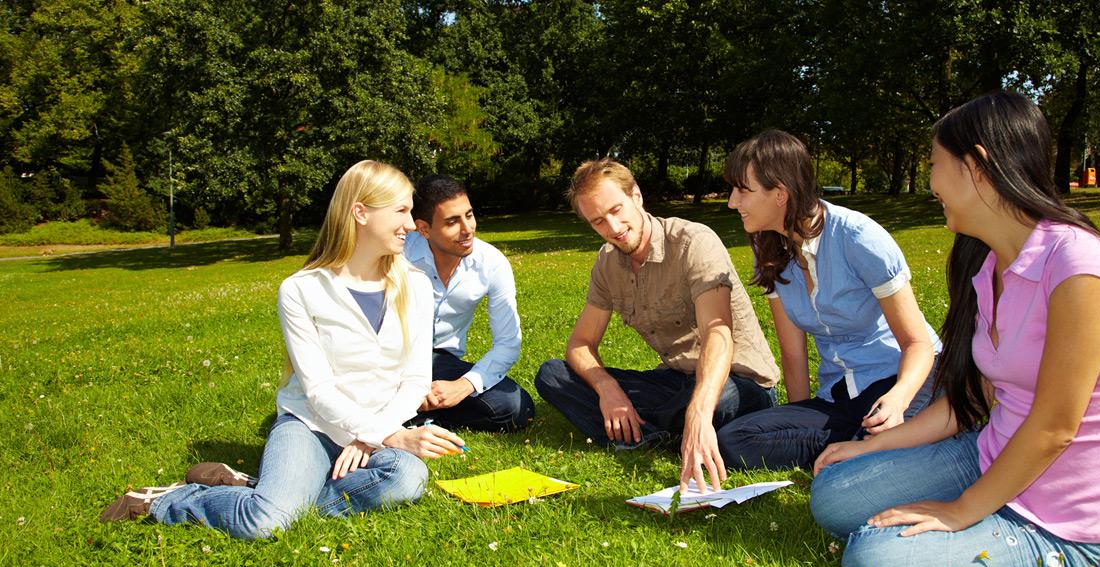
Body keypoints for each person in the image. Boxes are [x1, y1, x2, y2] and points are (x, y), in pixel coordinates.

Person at [809, 91, 1100, 567]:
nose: (930, 184)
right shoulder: (990, 266)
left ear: (977, 166)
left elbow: (1055, 426)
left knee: (869, 560)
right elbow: (973, 402)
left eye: (934, 165)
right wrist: (871, 445)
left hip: (1067, 521)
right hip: (990, 455)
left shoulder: (1078, 267)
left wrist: (962, 509)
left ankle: (982, 529)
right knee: (834, 494)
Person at [101, 160, 466, 539]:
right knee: (266, 523)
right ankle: (169, 500)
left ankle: (258, 489)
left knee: (406, 476)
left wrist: (372, 435)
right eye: (401, 211)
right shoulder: (301, 290)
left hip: (375, 428)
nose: (411, 224)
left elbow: (416, 378)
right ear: (360, 212)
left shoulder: (415, 284)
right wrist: (388, 436)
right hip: (311, 426)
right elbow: (319, 392)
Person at [534, 158, 780, 493]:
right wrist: (608, 390)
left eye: (617, 209)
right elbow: (580, 344)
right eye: (598, 221)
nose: (614, 227)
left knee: (719, 401)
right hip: (676, 382)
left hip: (737, 382)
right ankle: (662, 430)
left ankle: (658, 429)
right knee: (553, 375)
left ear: (636, 196)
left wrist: (698, 410)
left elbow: (718, 333)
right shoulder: (607, 263)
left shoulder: (694, 242)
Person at [714, 129, 941, 471]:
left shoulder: (858, 238)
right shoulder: (769, 247)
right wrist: (796, 417)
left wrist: (898, 400)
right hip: (840, 393)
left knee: (872, 458)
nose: (732, 202)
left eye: (743, 191)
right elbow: (792, 352)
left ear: (780, 193)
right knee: (732, 441)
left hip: (902, 380)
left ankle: (879, 441)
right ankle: (858, 445)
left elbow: (917, 343)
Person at [402, 174, 534, 432]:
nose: (467, 229)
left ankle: (415, 413)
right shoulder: (400, 255)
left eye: (469, 215)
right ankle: (406, 409)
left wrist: (463, 386)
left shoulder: (491, 264)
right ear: (424, 228)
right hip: (393, 361)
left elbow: (508, 343)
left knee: (518, 408)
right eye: (452, 222)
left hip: (441, 362)